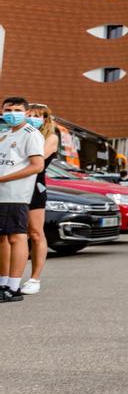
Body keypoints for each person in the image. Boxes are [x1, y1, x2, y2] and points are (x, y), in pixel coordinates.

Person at [0, 97, 45, 302]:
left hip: (15, 194)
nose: (12, 113)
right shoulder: (6, 134)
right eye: (8, 109)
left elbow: (37, 165)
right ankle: (3, 283)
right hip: (2, 194)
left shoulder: (31, 134)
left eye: (17, 109)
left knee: (16, 237)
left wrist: (3, 178)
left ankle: (14, 287)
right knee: (2, 239)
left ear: (26, 112)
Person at [22, 103, 59, 295]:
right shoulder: (17, 134)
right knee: (12, 234)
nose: (32, 119)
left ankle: (35, 278)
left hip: (35, 186)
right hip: (13, 186)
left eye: (37, 116)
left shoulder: (50, 138)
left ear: (45, 119)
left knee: (35, 233)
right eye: (29, 115)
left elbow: (35, 160)